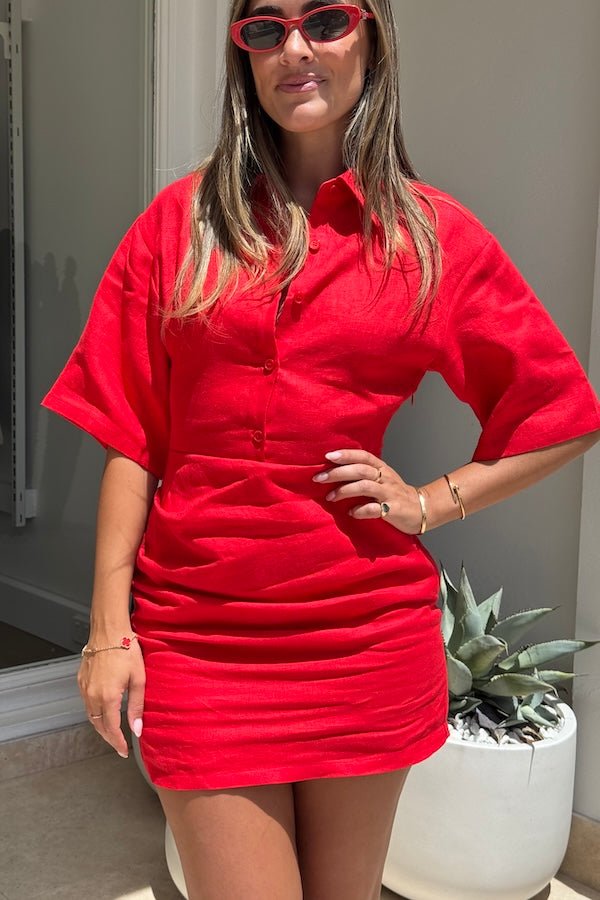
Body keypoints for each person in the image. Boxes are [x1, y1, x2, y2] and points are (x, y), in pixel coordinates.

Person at [42, 2, 600, 898]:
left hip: (364, 641)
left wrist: (431, 501)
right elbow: (129, 433)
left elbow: (561, 411)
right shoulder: (183, 223)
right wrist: (109, 634)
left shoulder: (429, 238)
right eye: (264, 29)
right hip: (200, 637)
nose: (294, 47)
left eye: (326, 20)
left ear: (372, 36)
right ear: (244, 57)